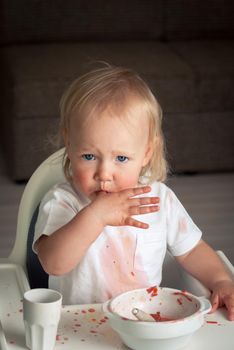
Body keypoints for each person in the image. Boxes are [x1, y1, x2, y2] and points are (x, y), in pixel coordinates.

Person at [33, 65, 234, 320]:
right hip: (80, 324)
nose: (104, 173)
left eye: (121, 158)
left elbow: (192, 250)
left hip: (145, 321)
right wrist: (95, 216)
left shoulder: (158, 199)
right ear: (69, 145)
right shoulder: (64, 201)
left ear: (146, 153)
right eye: (89, 156)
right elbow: (53, 263)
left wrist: (221, 280)